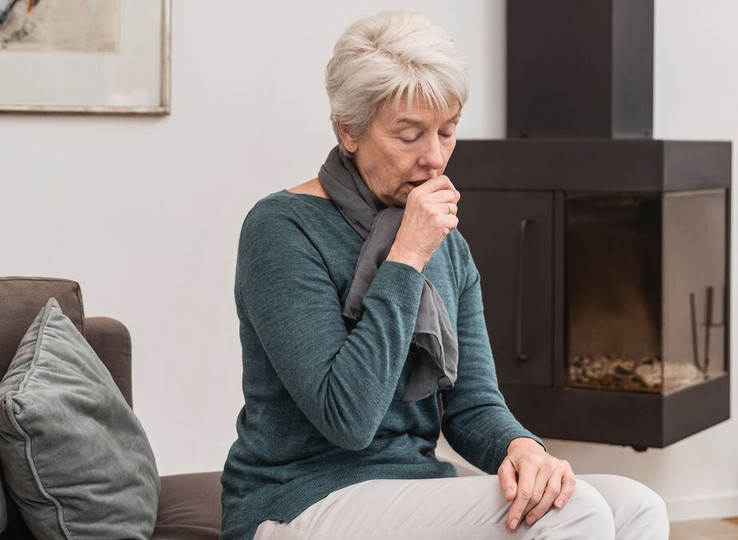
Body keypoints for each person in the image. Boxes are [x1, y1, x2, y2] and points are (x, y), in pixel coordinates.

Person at [220, 11, 669, 540]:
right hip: (299, 497)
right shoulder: (281, 229)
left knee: (637, 505)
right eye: (409, 136)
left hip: (411, 486)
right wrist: (406, 255)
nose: (434, 159)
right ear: (350, 131)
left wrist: (522, 448)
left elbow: (473, 404)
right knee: (576, 514)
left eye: (447, 132)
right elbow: (348, 417)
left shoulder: (445, 244)